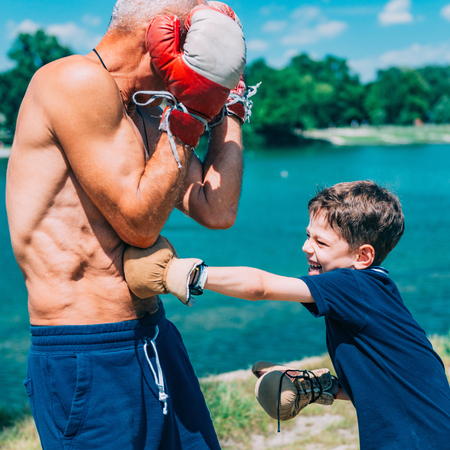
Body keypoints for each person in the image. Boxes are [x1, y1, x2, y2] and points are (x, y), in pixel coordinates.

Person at [5, 0, 250, 448]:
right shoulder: (72, 80)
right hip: (87, 349)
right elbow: (138, 223)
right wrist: (192, 114)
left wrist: (227, 110)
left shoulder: (149, 112)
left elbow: (218, 210)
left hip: (154, 337)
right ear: (164, 36)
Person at [125, 180, 450, 450]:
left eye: (321, 242)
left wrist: (191, 275)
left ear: (362, 256)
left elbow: (261, 287)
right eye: (309, 235)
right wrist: (321, 387)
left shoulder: (354, 286)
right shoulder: (369, 291)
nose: (307, 248)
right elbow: (388, 383)